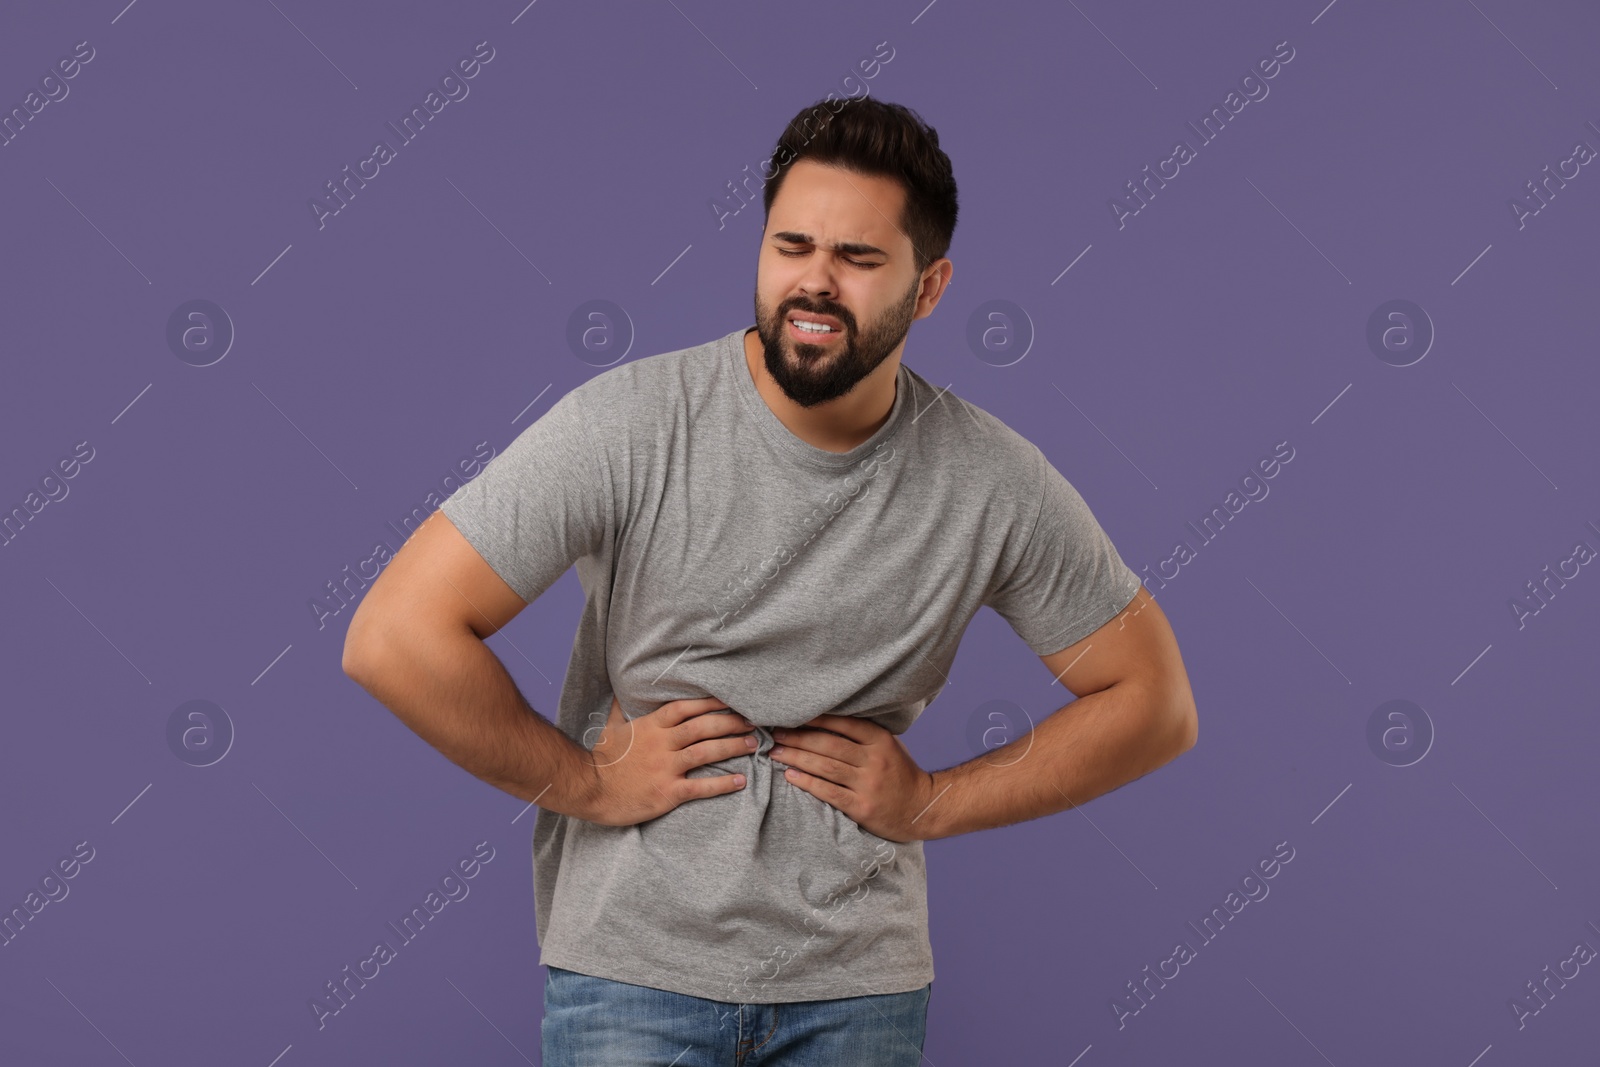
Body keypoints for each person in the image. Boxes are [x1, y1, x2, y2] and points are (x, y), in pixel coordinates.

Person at [342, 96, 1198, 1065]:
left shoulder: (991, 479)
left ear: (929, 287)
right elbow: (394, 634)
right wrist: (583, 778)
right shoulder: (631, 425)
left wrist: (932, 801)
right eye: (791, 246)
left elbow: (1153, 702)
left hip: (856, 987)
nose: (814, 283)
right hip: (634, 975)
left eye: (858, 259)